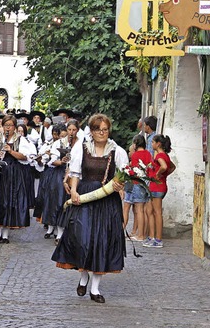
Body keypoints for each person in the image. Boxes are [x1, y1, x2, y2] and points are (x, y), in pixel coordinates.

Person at [51, 114, 129, 304]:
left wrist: (120, 186)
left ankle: (95, 288)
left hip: (107, 201)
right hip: (85, 197)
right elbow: (75, 171)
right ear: (91, 131)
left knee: (102, 241)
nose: (102, 133)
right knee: (83, 239)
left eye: (105, 129)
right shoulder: (82, 147)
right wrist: (74, 191)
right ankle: (83, 276)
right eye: (97, 129)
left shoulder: (116, 151)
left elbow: (124, 174)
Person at [0, 115, 36, 244]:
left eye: (10, 125)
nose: (7, 128)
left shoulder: (21, 140)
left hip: (13, 173)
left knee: (10, 201)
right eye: (5, 125)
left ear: (14, 127)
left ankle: (5, 235)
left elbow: (25, 157)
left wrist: (10, 151)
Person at [143, 134, 176, 248]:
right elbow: (172, 167)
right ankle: (152, 237)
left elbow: (164, 167)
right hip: (157, 186)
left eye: (153, 142)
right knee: (151, 211)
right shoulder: (165, 155)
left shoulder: (159, 156)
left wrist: (158, 174)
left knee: (157, 212)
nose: (151, 144)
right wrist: (164, 175)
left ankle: (158, 239)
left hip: (157, 186)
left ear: (158, 144)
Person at [123, 134, 152, 242]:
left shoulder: (135, 155)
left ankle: (140, 235)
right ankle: (142, 233)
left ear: (135, 144)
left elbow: (133, 171)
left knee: (138, 210)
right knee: (142, 210)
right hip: (145, 184)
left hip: (136, 183)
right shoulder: (148, 154)